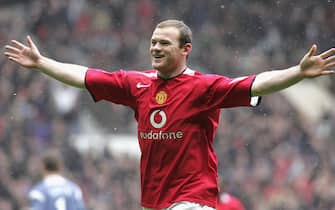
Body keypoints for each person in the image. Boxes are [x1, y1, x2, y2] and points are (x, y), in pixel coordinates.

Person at [3, 19, 335, 210]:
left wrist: (298, 72)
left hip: (192, 200)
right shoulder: (137, 85)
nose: (156, 48)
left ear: (185, 49)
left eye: (164, 43)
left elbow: (256, 83)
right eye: (153, 42)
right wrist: (43, 63)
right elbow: (86, 76)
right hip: (154, 202)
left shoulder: (203, 88)